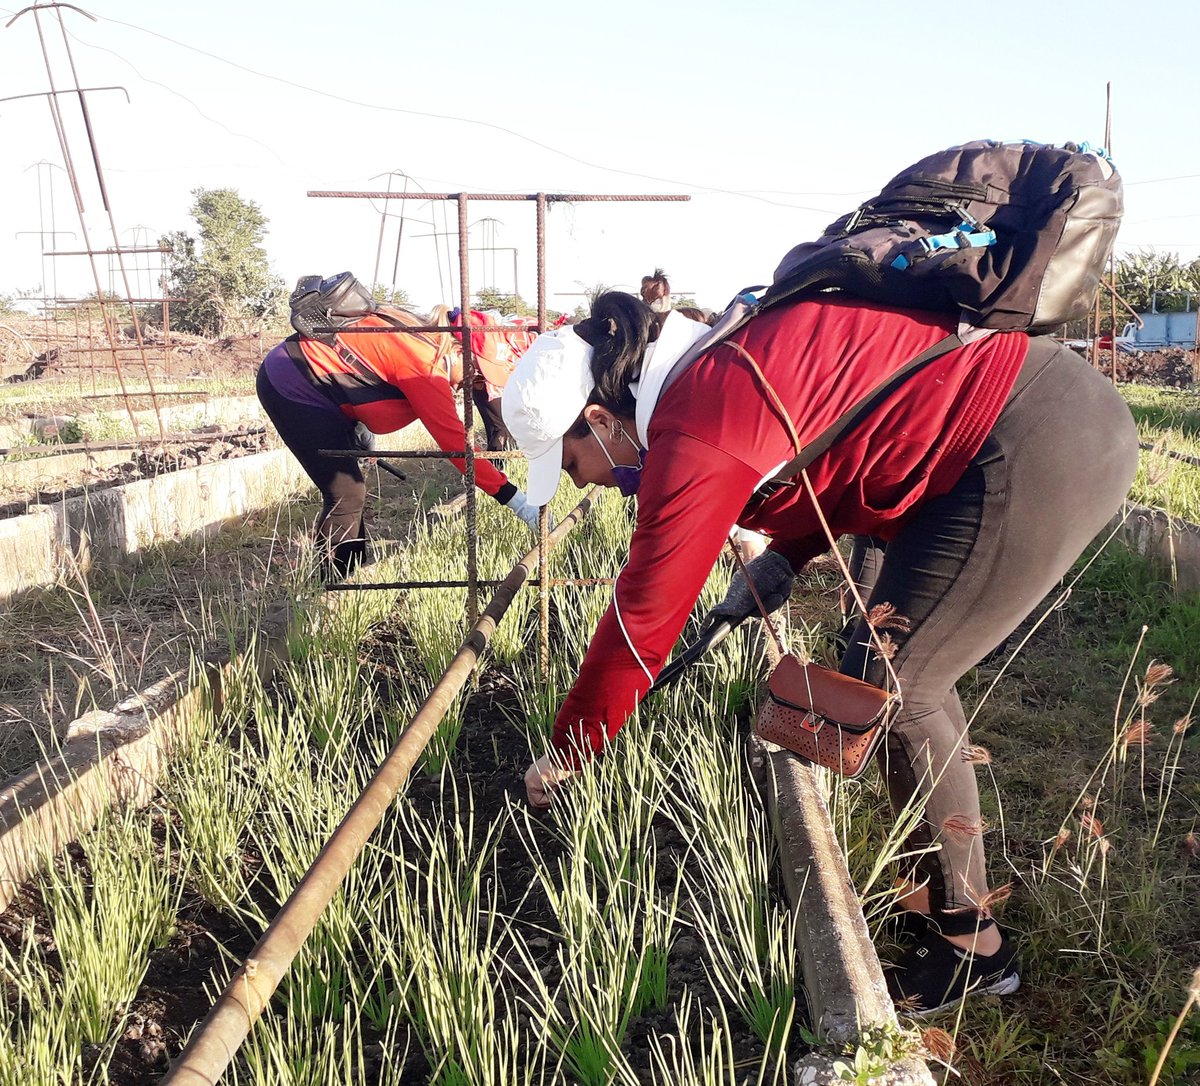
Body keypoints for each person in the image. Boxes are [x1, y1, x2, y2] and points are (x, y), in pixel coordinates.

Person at [501, 289, 1138, 1014]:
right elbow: (830, 458)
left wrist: (570, 748)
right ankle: (937, 901)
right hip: (999, 430)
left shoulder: (695, 421)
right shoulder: (709, 371)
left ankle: (973, 947)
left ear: (599, 419)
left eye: (577, 465)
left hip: (1029, 439)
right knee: (888, 675)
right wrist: (782, 563)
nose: (597, 484)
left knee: (897, 685)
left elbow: (642, 617)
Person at [257, 277, 544, 579]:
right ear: (462, 352)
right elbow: (458, 448)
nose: (470, 384)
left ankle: (348, 574)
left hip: (322, 387)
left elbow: (366, 371)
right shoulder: (426, 366)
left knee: (350, 488)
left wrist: (360, 437)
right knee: (346, 492)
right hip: (291, 382)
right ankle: (332, 584)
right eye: (475, 376)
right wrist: (517, 501)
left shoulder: (423, 343)